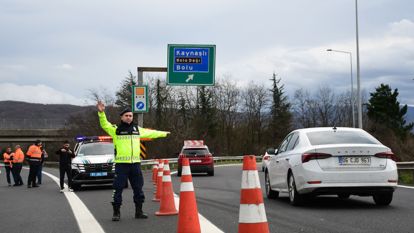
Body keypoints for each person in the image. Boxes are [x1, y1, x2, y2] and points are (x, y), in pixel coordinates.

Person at [97, 101, 170, 221]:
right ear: (121, 117)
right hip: (121, 165)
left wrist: (164, 134)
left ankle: (139, 211)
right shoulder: (116, 130)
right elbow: (104, 124)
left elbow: (151, 133)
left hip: (135, 165)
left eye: (130, 115)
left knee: (138, 188)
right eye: (126, 115)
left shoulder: (137, 129)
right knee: (118, 188)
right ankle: (116, 213)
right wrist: (101, 112)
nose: (129, 117)